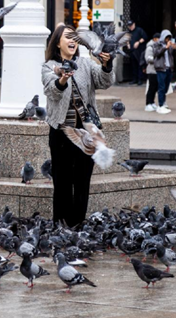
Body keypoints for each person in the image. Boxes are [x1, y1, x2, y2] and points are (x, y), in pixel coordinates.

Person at [41, 24, 114, 228]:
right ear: (57, 42)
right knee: (62, 182)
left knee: (82, 181)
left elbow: (103, 81)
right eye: (67, 37)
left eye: (74, 37)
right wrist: (62, 79)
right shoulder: (49, 66)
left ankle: (78, 225)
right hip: (62, 132)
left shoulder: (85, 63)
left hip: (86, 133)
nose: (72, 40)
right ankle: (61, 225)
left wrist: (107, 66)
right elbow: (51, 90)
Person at [150, 30, 176, 115]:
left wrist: (175, 48)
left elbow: (175, 55)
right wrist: (165, 47)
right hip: (161, 68)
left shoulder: (169, 45)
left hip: (169, 68)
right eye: (166, 38)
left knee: (166, 87)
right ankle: (160, 105)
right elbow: (156, 53)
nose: (167, 39)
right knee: (161, 87)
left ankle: (163, 102)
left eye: (169, 38)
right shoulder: (157, 44)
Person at [143, 33, 161, 112]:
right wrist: (157, 60)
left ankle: (152, 102)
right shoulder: (150, 47)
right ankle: (148, 103)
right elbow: (148, 58)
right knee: (151, 87)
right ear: (155, 39)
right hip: (151, 70)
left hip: (157, 70)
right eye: (158, 38)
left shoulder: (158, 46)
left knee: (155, 87)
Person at [126, 20, 148, 85]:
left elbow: (145, 37)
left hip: (139, 51)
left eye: (131, 25)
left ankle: (140, 79)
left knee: (140, 65)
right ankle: (134, 79)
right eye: (129, 26)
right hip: (132, 51)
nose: (130, 27)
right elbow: (127, 39)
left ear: (134, 24)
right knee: (133, 65)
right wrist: (128, 44)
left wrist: (138, 42)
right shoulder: (128, 32)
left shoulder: (139, 30)